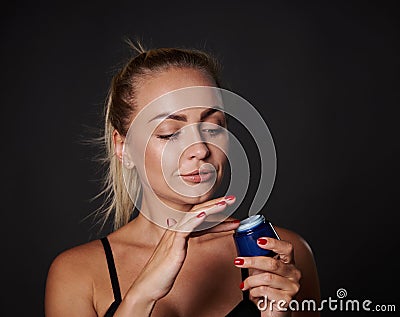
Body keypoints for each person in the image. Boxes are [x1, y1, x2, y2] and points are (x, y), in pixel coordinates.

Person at [45, 41, 320, 317]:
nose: (200, 149)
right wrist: (142, 295)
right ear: (123, 147)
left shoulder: (280, 255)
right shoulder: (78, 276)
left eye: (213, 127)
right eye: (170, 132)